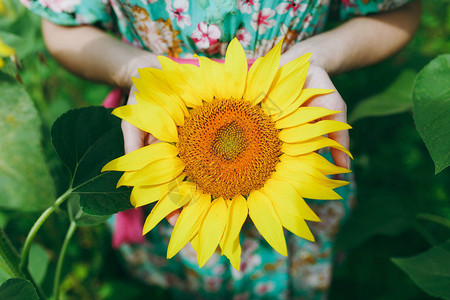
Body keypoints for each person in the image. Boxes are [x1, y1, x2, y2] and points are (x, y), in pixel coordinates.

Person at [22, 0, 421, 299]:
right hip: (161, 146)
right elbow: (64, 25)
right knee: (180, 264)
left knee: (300, 246)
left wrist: (313, 60)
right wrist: (133, 68)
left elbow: (398, 11)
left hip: (295, 135)